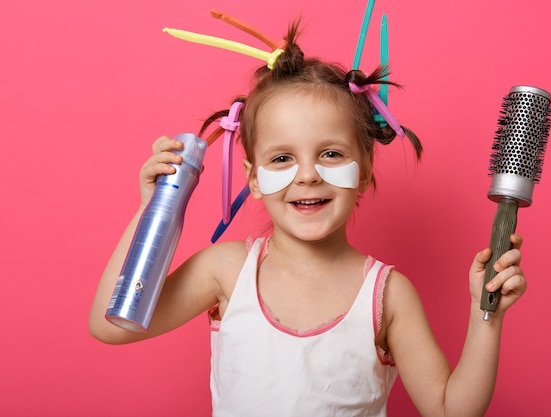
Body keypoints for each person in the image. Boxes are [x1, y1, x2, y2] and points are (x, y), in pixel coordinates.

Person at [89, 19, 526, 417]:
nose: (309, 175)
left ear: (365, 169)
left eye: (331, 154)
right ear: (254, 178)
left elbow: (452, 411)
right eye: (282, 158)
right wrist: (153, 213)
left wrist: (484, 315)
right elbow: (111, 326)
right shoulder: (226, 271)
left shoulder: (388, 296)